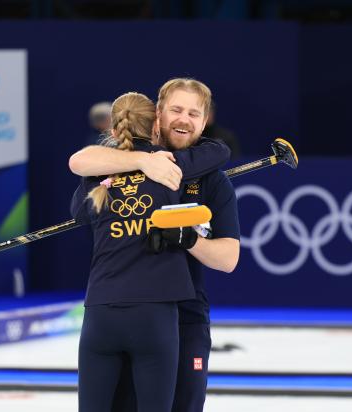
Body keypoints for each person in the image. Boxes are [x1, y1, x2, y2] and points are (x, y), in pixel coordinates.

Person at [69, 78, 240, 412]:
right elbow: (80, 160)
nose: (184, 119)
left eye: (194, 113)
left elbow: (229, 259)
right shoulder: (117, 162)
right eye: (176, 109)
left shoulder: (213, 177)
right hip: (131, 313)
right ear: (158, 115)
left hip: (185, 318)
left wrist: (190, 239)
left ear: (205, 121)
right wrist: (142, 161)